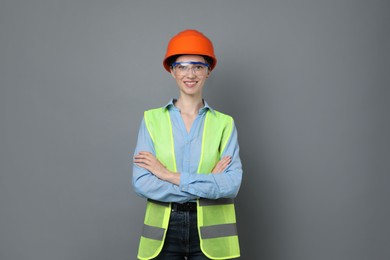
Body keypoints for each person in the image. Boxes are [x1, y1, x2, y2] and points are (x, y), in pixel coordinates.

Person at [132, 29, 243, 259]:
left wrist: (168, 175)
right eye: (182, 66)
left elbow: (231, 184)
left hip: (213, 237)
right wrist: (207, 184)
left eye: (198, 66)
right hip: (164, 234)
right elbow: (142, 182)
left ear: (208, 71)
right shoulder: (151, 119)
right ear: (172, 71)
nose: (190, 73)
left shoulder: (224, 123)